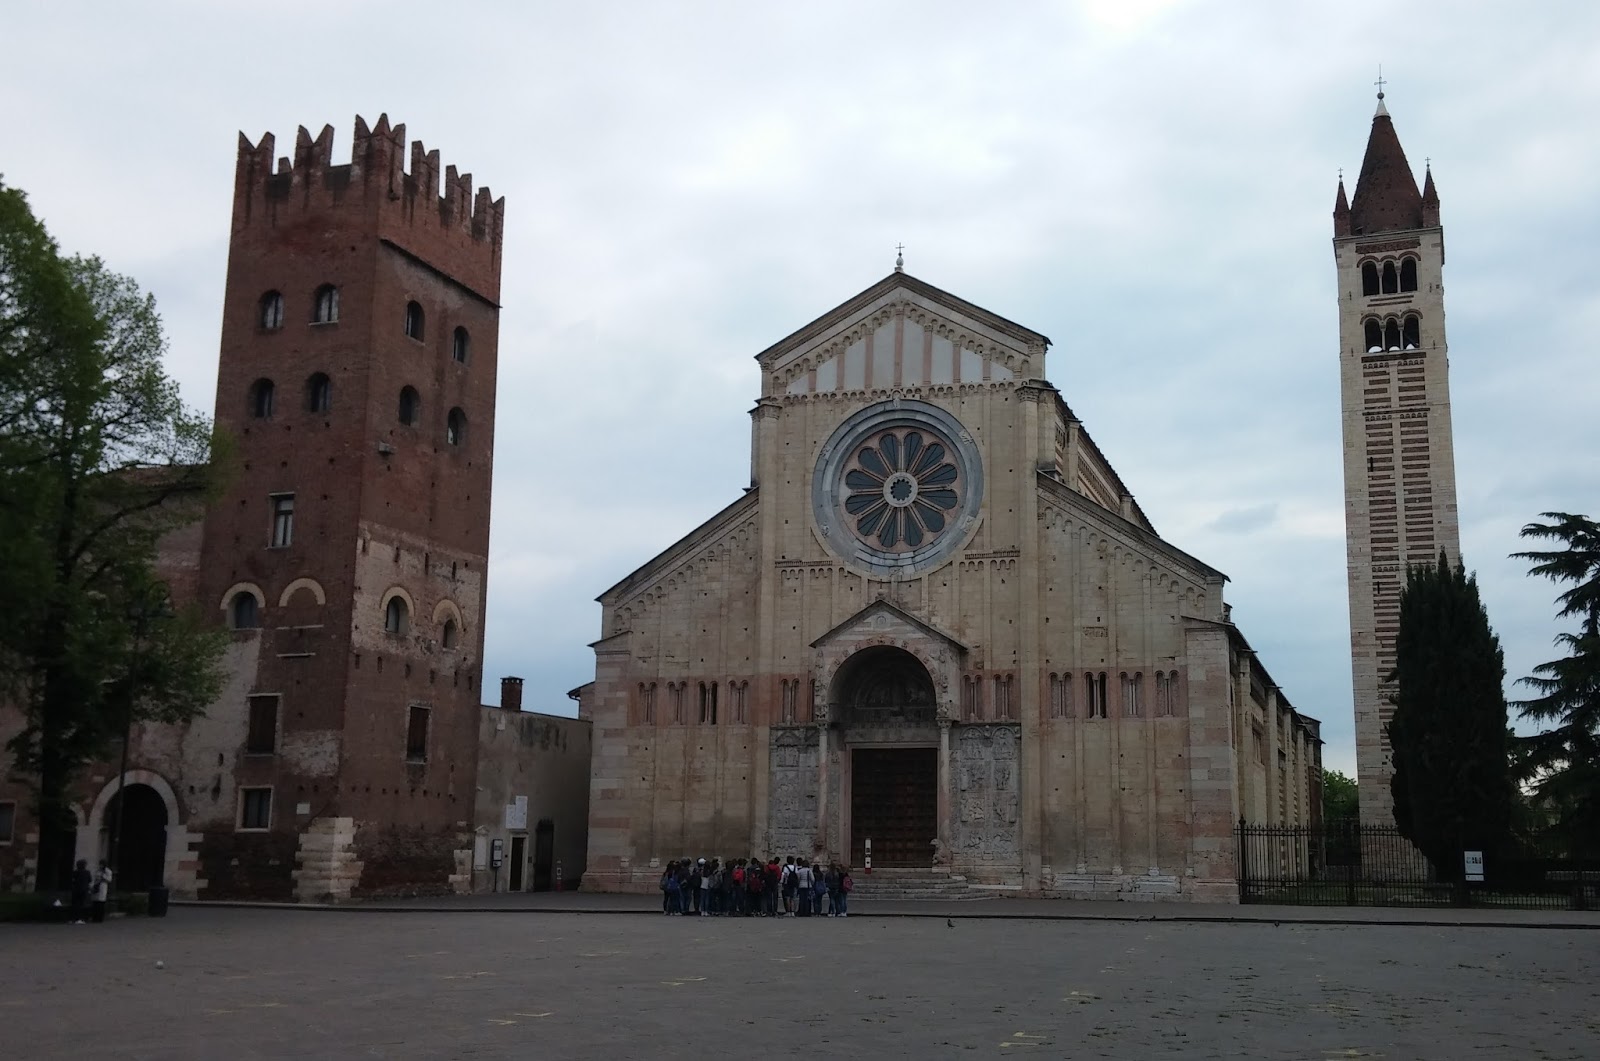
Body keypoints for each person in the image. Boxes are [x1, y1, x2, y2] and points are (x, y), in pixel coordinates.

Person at [69, 859, 92, 925]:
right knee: (81, 904)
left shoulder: (75, 872)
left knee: (75, 904)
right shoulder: (87, 872)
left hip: (76, 890)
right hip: (83, 890)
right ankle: (80, 918)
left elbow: (73, 880)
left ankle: (73, 918)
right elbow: (90, 880)